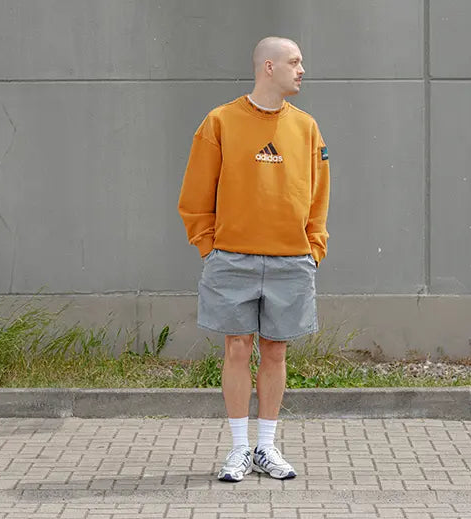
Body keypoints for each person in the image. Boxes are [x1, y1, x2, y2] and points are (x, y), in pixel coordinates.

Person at [177, 36, 331, 482]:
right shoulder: (221, 121)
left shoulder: (306, 127)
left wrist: (313, 247)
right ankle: (239, 450)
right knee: (237, 348)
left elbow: (320, 194)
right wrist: (209, 245)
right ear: (268, 66)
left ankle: (266, 446)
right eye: (295, 62)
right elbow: (195, 195)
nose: (302, 69)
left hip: (291, 261)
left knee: (276, 352)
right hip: (232, 260)